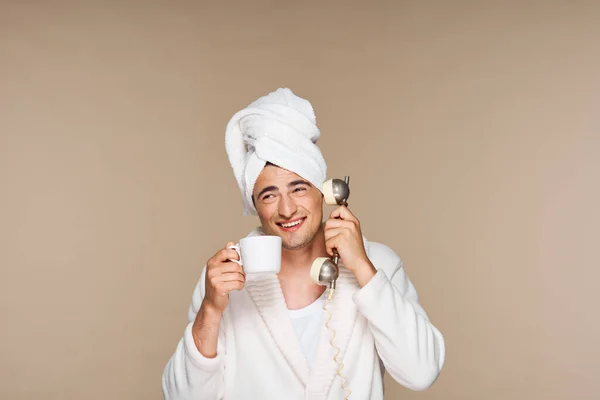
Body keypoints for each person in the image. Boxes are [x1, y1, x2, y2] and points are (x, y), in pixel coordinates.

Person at [162, 88, 445, 400]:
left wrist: (364, 269)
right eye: (269, 195)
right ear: (255, 205)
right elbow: (182, 397)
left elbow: (421, 373)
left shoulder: (379, 263)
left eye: (298, 188)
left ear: (324, 192)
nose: (287, 209)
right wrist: (211, 309)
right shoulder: (224, 279)